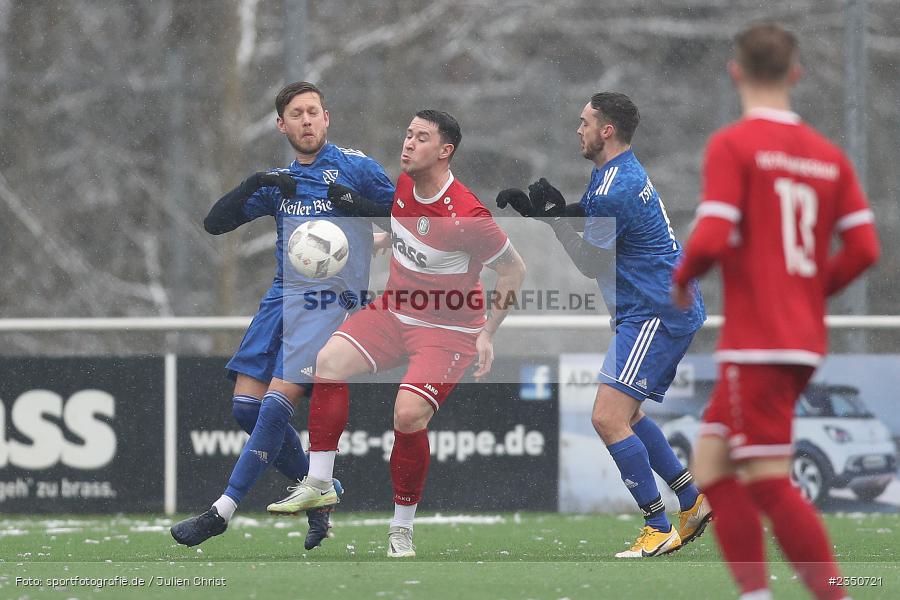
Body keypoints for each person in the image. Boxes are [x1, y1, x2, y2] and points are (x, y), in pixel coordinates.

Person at [672, 22, 880, 600]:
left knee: (767, 482)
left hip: (758, 342)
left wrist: (683, 277)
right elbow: (864, 249)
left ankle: (833, 594)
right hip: (801, 338)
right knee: (712, 464)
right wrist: (809, 292)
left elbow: (712, 235)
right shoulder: (827, 156)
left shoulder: (734, 144)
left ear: (735, 71)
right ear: (796, 74)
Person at [264, 109, 527, 558]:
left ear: (445, 152)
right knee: (327, 363)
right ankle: (320, 483)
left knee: (407, 416)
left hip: (448, 329)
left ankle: (401, 529)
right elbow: (403, 221)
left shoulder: (467, 214)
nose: (407, 143)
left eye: (420, 137)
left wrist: (487, 332)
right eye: (407, 134)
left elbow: (514, 271)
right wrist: (390, 239)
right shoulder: (404, 183)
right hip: (394, 311)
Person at [170, 81, 395, 549]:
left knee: (277, 402)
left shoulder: (356, 168)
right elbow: (215, 223)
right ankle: (322, 493)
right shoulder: (281, 181)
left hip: (331, 300)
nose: (307, 120)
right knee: (245, 409)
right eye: (297, 114)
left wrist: (362, 209)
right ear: (282, 124)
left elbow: (409, 219)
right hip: (281, 298)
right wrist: (254, 184)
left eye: (314, 111)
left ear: (327, 118)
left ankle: (222, 510)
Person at [497, 92, 711, 558]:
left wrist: (555, 223)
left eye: (585, 122)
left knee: (606, 418)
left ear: (606, 130)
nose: (579, 129)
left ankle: (657, 527)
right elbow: (600, 219)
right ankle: (691, 503)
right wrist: (551, 213)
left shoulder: (616, 185)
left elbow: (592, 262)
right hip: (656, 308)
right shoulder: (615, 174)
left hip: (654, 311)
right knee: (628, 415)